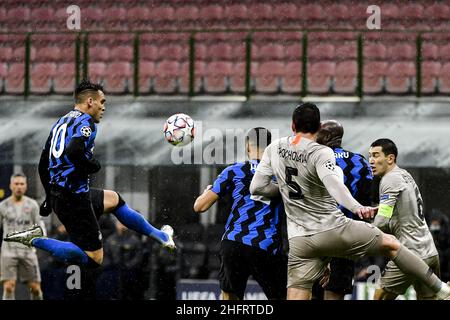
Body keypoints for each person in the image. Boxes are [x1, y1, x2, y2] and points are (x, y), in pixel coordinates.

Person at [250, 102, 450, 300]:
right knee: (392, 245)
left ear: (293, 126)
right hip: (335, 231)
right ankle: (441, 289)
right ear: (318, 127)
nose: (371, 160)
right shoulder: (322, 153)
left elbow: (256, 187)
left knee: (297, 293)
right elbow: (335, 186)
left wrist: (285, 190)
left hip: (300, 240)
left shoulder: (274, 147)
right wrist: (357, 207)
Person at [4, 79, 175, 272]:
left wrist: (48, 198)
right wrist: (92, 165)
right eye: (102, 102)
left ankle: (161, 236)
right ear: (90, 102)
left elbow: (44, 163)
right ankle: (36, 239)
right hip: (73, 198)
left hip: (64, 193)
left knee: (114, 199)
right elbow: (73, 150)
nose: (103, 107)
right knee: (94, 259)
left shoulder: (62, 121)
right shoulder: (86, 122)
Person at [193, 127, 287, 300]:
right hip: (266, 244)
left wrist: (207, 191)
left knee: (230, 298)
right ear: (270, 149)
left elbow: (199, 207)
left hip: (234, 242)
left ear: (247, 147)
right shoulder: (281, 175)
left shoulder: (233, 171)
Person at [369, 138, 441, 300]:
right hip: (429, 251)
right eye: (370, 156)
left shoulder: (389, 179)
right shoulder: (405, 174)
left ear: (390, 158)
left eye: (376, 155)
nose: (371, 161)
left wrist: (359, 234)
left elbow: (381, 223)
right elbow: (401, 212)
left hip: (409, 253)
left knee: (380, 296)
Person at [315, 120, 373, 300]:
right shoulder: (359, 161)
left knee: (309, 292)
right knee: (334, 293)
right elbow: (364, 204)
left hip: (314, 235)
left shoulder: (312, 158)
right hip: (345, 238)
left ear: (327, 136)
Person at [0, 173, 46, 300]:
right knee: (8, 286)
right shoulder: (3, 206)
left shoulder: (32, 205)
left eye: (22, 184)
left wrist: (43, 242)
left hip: (28, 251)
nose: (19, 187)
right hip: (8, 252)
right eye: (16, 184)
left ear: (25, 186)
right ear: (11, 185)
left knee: (35, 288)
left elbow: (40, 226)